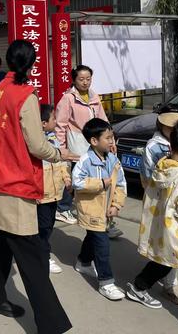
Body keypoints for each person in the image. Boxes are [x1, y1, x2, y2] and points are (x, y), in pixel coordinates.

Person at [0, 40, 74, 334]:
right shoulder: (25, 95)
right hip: (13, 183)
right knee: (32, 257)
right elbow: (37, 144)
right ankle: (52, 325)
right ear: (31, 64)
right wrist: (60, 154)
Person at [126, 120, 178, 309]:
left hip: (164, 230)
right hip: (177, 233)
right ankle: (138, 286)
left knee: (164, 263)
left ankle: (138, 286)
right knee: (165, 262)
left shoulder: (163, 165)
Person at [72, 118, 127, 301]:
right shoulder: (85, 160)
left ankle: (83, 261)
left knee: (94, 236)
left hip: (106, 210)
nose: (112, 141)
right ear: (94, 141)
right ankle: (106, 282)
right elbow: (77, 182)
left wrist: (116, 204)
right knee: (102, 245)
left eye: (112, 137)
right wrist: (100, 183)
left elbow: (120, 184)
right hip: (91, 210)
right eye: (108, 138)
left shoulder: (113, 160)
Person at [55, 65, 112, 231]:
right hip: (77, 144)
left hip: (95, 144)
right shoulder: (68, 98)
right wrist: (62, 148)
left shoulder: (94, 97)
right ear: (74, 79)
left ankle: (94, 212)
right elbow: (61, 125)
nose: (85, 82)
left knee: (93, 176)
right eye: (81, 79)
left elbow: (103, 119)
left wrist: (110, 139)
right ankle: (63, 208)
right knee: (74, 174)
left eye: (88, 79)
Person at [37, 104, 72, 275]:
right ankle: (43, 257)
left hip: (54, 192)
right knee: (43, 227)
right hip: (41, 193)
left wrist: (66, 177)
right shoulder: (36, 143)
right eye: (53, 118)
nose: (56, 121)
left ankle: (40, 252)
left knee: (48, 224)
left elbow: (60, 161)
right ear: (43, 123)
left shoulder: (53, 138)